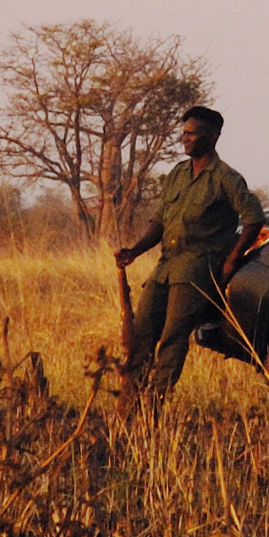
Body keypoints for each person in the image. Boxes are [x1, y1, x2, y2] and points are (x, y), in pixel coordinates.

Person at [112, 105, 260, 398]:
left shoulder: (225, 178)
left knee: (172, 338)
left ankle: (155, 406)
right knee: (141, 334)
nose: (186, 140)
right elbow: (159, 221)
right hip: (166, 266)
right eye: (184, 134)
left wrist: (231, 261)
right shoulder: (177, 174)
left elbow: (254, 218)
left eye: (193, 134)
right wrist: (135, 250)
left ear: (213, 136)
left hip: (197, 269)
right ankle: (131, 405)